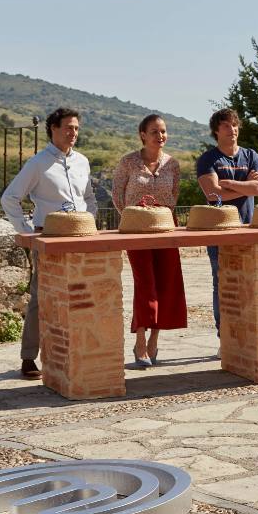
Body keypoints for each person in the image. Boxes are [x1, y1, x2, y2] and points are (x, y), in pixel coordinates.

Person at [1, 107, 98, 380]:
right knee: (41, 297)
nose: (73, 133)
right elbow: (10, 198)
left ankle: (77, 351)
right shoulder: (38, 163)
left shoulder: (82, 162)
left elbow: (90, 198)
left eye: (76, 128)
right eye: (68, 127)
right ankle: (29, 357)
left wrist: (87, 220)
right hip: (49, 237)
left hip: (80, 237)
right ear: (53, 129)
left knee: (80, 294)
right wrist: (28, 232)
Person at [112, 114, 188, 367]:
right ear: (143, 135)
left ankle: (155, 338)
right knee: (145, 283)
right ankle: (140, 340)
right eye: (154, 131)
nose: (160, 136)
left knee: (167, 284)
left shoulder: (172, 164)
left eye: (163, 131)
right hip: (136, 230)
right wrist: (131, 219)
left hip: (166, 228)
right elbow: (117, 195)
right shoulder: (128, 162)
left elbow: (174, 195)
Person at [196, 108, 258, 334]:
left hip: (247, 229)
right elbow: (213, 195)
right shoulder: (208, 159)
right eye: (226, 125)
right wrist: (246, 186)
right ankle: (224, 334)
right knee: (222, 281)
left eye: (234, 125)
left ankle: (246, 332)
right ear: (216, 131)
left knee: (251, 281)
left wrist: (229, 183)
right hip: (219, 231)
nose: (232, 129)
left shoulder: (251, 156)